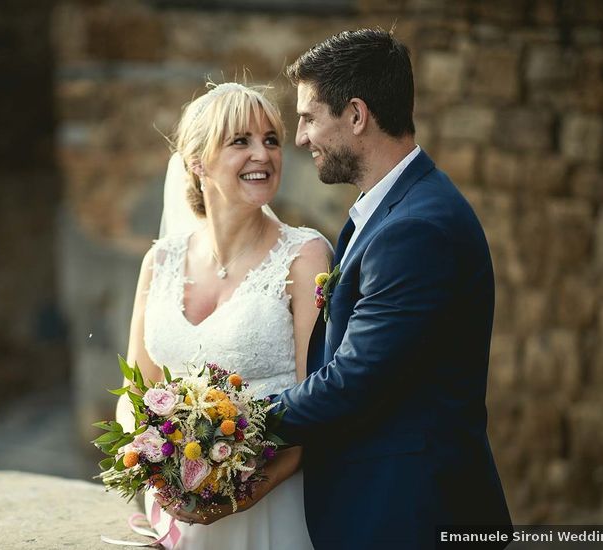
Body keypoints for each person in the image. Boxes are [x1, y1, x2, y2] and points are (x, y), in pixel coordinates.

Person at [174, 28, 513, 549]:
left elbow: (353, 380)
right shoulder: (389, 210)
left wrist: (224, 426)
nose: (301, 137)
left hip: (411, 512)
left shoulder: (415, 227)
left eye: (309, 118)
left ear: (356, 115)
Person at [117, 81, 331, 549]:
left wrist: (238, 501)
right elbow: (137, 391)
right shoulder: (160, 261)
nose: (263, 154)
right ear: (197, 162)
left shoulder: (305, 256)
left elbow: (316, 404)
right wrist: (160, 486)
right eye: (241, 141)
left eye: (270, 140)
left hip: (275, 509)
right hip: (177, 516)